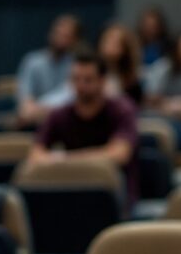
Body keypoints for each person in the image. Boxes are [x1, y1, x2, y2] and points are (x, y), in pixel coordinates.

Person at [29, 50, 140, 204]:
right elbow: (35, 155)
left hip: (114, 196)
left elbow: (119, 154)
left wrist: (63, 159)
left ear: (102, 81)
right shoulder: (59, 115)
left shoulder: (122, 110)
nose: (80, 86)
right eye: (76, 79)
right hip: (70, 195)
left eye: (88, 80)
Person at [15, 14, 82, 124]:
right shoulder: (32, 61)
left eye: (67, 35)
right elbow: (25, 104)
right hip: (34, 123)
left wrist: (39, 109)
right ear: (51, 34)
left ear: (75, 40)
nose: (61, 39)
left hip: (68, 124)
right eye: (58, 33)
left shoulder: (77, 65)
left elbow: (75, 101)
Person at [99, 23, 145, 106]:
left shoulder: (134, 78)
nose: (110, 46)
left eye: (116, 43)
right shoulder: (95, 70)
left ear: (125, 48)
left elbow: (135, 104)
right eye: (108, 41)